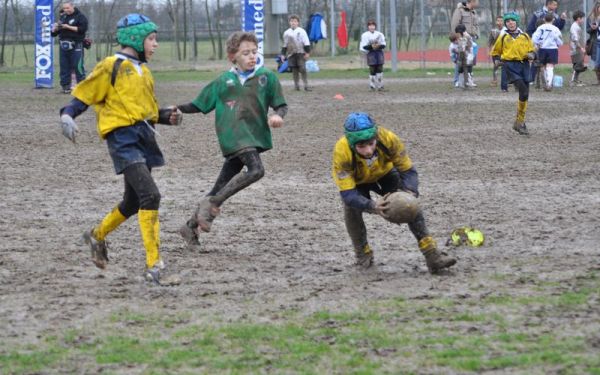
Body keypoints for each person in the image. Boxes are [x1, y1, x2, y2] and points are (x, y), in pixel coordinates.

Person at [58, 14, 183, 285]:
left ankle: (96, 235)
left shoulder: (144, 71)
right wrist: (68, 114)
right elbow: (84, 94)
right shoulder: (111, 65)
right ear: (136, 39)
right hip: (123, 140)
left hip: (144, 138)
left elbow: (145, 112)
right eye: (151, 38)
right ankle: (155, 265)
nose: (156, 44)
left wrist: (165, 116)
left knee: (133, 201)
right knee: (151, 195)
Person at [177, 31, 288, 250]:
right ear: (232, 56)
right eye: (245, 53)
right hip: (233, 135)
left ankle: (190, 226)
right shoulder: (222, 81)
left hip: (253, 137)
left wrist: (278, 116)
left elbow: (281, 105)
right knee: (257, 170)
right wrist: (173, 109)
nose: (251, 57)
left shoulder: (267, 77)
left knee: (220, 187)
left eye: (254, 52)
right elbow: (197, 105)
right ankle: (214, 204)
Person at [331, 112, 457, 273]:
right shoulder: (342, 151)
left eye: (371, 144)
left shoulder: (388, 138)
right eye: (361, 146)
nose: (368, 151)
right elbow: (348, 194)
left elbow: (408, 171)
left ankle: (432, 255)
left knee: (410, 204)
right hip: (357, 181)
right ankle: (363, 255)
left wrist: (410, 192)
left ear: (376, 137)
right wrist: (372, 205)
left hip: (385, 173)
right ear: (351, 143)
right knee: (351, 210)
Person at [491, 12, 535, 135]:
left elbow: (532, 50)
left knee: (525, 95)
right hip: (510, 66)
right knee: (523, 90)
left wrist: (532, 55)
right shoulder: (503, 36)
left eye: (513, 21)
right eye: (508, 21)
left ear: (517, 22)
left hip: (524, 66)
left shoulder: (525, 36)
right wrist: (496, 61)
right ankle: (520, 122)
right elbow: (495, 52)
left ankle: (519, 122)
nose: (510, 23)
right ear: (505, 24)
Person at [50, 1, 88, 94]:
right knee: (64, 67)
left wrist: (68, 26)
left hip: (76, 45)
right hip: (63, 46)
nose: (66, 10)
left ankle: (82, 87)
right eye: (64, 8)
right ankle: (65, 87)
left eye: (67, 8)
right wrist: (55, 29)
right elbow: (54, 34)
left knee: (77, 66)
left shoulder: (80, 17)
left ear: (73, 7)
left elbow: (82, 29)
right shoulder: (63, 17)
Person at [526, 0, 566, 83]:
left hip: (550, 45)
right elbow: (530, 28)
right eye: (554, 5)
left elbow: (559, 28)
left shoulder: (555, 15)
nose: (556, 7)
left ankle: (546, 81)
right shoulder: (538, 14)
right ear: (549, 4)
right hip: (539, 43)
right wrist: (533, 42)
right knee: (536, 61)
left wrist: (562, 20)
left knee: (546, 64)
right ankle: (531, 79)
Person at [450, 0, 480, 86]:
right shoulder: (459, 10)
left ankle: (468, 80)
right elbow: (454, 24)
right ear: (472, 1)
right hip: (462, 39)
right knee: (460, 60)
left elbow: (476, 25)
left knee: (470, 60)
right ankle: (457, 81)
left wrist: (476, 34)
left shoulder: (474, 11)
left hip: (471, 39)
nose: (478, 3)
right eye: (477, 1)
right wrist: (457, 37)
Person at [531, 13, 563, 91]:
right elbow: (560, 41)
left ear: (544, 19)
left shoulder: (540, 28)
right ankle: (549, 84)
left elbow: (534, 38)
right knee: (550, 67)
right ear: (553, 20)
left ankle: (545, 84)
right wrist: (558, 44)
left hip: (542, 49)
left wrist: (537, 45)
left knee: (543, 67)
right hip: (552, 49)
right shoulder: (555, 29)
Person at [281, 15, 312, 91]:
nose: (293, 23)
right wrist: (283, 54)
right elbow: (285, 45)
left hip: (300, 52)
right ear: (289, 22)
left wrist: (307, 52)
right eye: (292, 21)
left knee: (302, 68)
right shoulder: (286, 33)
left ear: (298, 22)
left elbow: (306, 42)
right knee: (294, 69)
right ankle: (296, 86)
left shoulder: (302, 31)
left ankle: (306, 85)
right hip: (291, 53)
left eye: (295, 21)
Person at [359, 20, 386, 92]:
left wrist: (378, 46)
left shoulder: (380, 34)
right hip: (371, 53)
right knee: (372, 69)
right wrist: (371, 47)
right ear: (368, 27)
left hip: (379, 53)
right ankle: (372, 86)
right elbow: (363, 46)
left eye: (373, 25)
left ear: (375, 26)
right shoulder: (365, 35)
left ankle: (380, 86)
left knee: (380, 68)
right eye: (370, 25)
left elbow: (383, 44)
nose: (372, 27)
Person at [569, 10, 588, 86]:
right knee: (577, 65)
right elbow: (575, 39)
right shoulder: (574, 27)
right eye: (582, 18)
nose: (583, 20)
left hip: (576, 48)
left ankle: (576, 80)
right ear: (578, 18)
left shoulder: (576, 26)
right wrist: (581, 48)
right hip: (575, 49)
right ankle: (573, 81)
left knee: (579, 64)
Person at [488, 15, 506, 89]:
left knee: (506, 65)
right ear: (496, 22)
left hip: (504, 51)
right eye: (498, 21)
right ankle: (495, 80)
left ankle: (507, 80)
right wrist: (490, 49)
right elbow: (490, 41)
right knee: (496, 65)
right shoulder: (493, 31)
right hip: (496, 52)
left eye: (501, 21)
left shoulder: (506, 30)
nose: (500, 22)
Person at [588, 2, 600, 83]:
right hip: (596, 42)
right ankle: (599, 80)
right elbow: (587, 30)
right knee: (597, 62)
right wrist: (592, 28)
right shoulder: (591, 18)